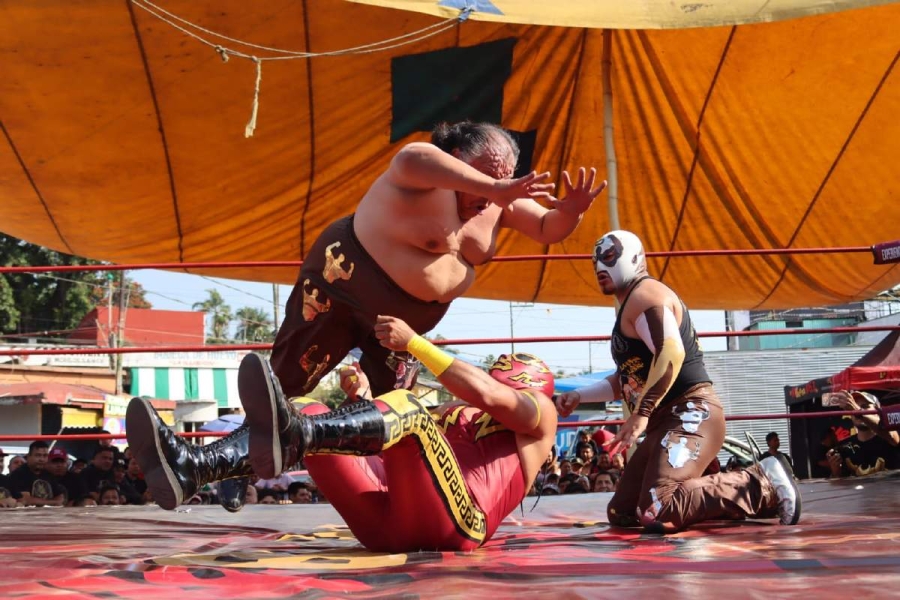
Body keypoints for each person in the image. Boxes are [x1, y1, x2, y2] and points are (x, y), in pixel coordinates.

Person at [127, 120, 604, 512]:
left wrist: (573, 212)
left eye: (506, 175)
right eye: (485, 174)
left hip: (398, 329)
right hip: (343, 278)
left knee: (394, 411)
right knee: (285, 383)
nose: (490, 193)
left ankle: (208, 465)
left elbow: (547, 226)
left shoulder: (498, 200)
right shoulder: (424, 170)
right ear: (458, 158)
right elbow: (414, 157)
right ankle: (220, 464)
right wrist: (493, 184)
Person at [554, 230, 801, 531]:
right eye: (595, 261)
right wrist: (579, 395)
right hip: (667, 421)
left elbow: (671, 352)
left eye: (608, 257)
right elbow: (628, 380)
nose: (599, 268)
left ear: (633, 258)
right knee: (623, 511)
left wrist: (641, 414)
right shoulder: (632, 306)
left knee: (658, 508)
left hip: (691, 412)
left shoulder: (646, 295)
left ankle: (759, 482)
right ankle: (721, 495)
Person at [826, 390, 899, 477]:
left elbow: (891, 436)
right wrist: (836, 471)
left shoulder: (890, 435)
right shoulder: (844, 446)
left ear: (877, 410)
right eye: (852, 408)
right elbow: (839, 484)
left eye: (865, 406)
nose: (856, 411)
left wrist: (857, 410)